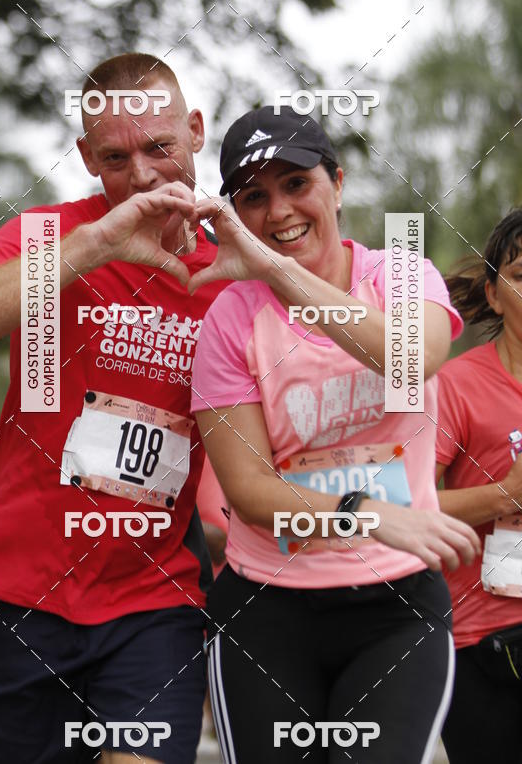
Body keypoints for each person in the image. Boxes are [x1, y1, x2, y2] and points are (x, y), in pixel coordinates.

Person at [0, 53, 228, 764]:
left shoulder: (231, 275)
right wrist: (92, 245)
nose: (146, 174)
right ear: (87, 158)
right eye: (117, 158)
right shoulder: (48, 238)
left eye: (161, 147)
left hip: (154, 604)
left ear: (195, 131)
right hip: (17, 601)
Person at [186, 105, 480, 763]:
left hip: (396, 609)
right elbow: (251, 491)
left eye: (297, 184)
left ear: (338, 184)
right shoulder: (230, 321)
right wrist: (367, 515)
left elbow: (410, 358)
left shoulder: (400, 276)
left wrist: (275, 271)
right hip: (266, 611)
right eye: (254, 197)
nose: (280, 209)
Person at [436, 208, 522, 764]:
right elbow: (404, 504)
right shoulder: (457, 386)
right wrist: (504, 495)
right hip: (484, 644)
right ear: (493, 295)